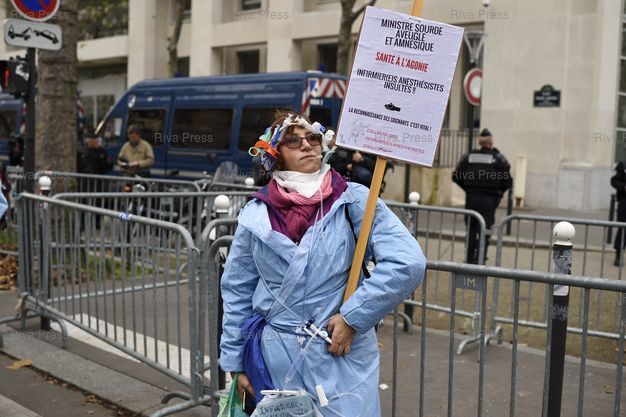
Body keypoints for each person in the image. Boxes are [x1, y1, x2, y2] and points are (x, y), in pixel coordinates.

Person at [220, 112, 426, 416]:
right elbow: (237, 290)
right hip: (276, 360)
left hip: (340, 355)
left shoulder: (355, 200)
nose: (307, 145)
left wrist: (353, 317)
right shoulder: (257, 213)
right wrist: (236, 363)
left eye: (313, 138)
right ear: (275, 155)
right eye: (293, 141)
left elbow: (408, 263)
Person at [452, 128, 512, 264]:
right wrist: (499, 193)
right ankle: (480, 261)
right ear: (491, 143)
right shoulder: (498, 158)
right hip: (489, 201)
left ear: (480, 142)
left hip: (471, 199)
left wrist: (468, 188)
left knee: (471, 230)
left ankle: (468, 261)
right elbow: (508, 181)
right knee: (485, 230)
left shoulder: (469, 156)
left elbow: (456, 176)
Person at [611, 161, 626, 266]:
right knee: (623, 229)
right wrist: (623, 187)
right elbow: (614, 181)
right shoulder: (623, 165)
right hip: (624, 203)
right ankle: (619, 254)